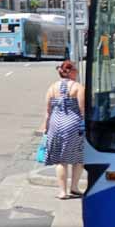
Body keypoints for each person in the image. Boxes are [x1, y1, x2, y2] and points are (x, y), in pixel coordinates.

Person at [42, 60, 85, 199]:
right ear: (71, 72)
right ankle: (74, 187)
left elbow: (48, 111)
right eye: (76, 71)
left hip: (55, 125)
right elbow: (82, 109)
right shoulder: (78, 87)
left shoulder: (52, 88)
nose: (77, 73)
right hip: (73, 125)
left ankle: (62, 191)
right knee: (79, 157)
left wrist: (46, 128)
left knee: (61, 160)